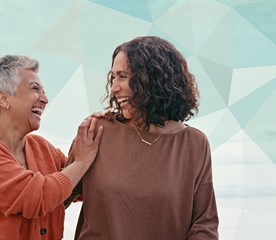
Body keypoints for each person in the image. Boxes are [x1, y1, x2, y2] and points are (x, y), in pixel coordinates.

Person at [74, 36, 219, 239]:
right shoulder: (97, 131)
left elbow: (204, 226)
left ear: (151, 79)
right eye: (113, 77)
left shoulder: (194, 144)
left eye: (122, 76)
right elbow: (54, 198)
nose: (114, 88)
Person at [0, 55, 103, 239]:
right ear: (3, 98)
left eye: (44, 91)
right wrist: (81, 161)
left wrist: (101, 129)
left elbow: (84, 184)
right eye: (35, 89)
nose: (45, 99)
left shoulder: (42, 148)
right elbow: (34, 198)